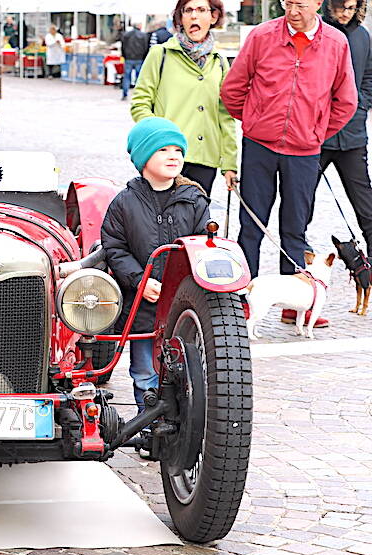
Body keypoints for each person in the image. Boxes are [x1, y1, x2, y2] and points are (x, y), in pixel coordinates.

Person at [220, 0, 357, 327]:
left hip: (305, 151)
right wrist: (255, 122)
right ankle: (242, 299)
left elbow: (346, 100)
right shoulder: (262, 36)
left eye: (301, 4)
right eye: (288, 2)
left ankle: (294, 305)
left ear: (318, 3)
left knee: (295, 228)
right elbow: (233, 89)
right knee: (250, 226)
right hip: (259, 147)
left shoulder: (336, 43)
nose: (293, 10)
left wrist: (316, 132)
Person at [101, 118, 210, 412]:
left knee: (185, 368)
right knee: (144, 370)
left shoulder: (195, 200)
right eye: (163, 149)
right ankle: (147, 422)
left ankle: (179, 423)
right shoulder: (125, 202)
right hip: (144, 304)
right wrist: (140, 280)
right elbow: (115, 247)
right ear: (143, 158)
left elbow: (203, 247)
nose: (174, 155)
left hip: (184, 304)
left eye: (178, 149)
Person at [131, 0, 238, 195]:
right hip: (165, 157)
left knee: (195, 221)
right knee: (161, 221)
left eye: (201, 10)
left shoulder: (220, 62)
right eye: (188, 10)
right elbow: (140, 103)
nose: (194, 16)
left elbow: (225, 116)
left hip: (205, 158)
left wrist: (229, 164)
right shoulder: (160, 54)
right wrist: (161, 140)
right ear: (180, 17)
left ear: (213, 16)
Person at [307, 0, 372, 259]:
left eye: (351, 8)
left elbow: (368, 76)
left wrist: (361, 104)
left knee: (365, 204)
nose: (345, 13)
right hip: (316, 137)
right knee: (301, 202)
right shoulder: (317, 32)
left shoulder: (363, 36)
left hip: (353, 137)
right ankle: (298, 257)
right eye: (341, 7)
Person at [121, 23, 149, 101]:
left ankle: (125, 94)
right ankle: (138, 95)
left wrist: (124, 56)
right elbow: (145, 47)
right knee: (139, 78)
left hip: (128, 58)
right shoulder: (143, 35)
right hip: (139, 58)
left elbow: (123, 47)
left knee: (126, 77)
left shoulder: (126, 35)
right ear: (139, 26)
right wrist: (144, 57)